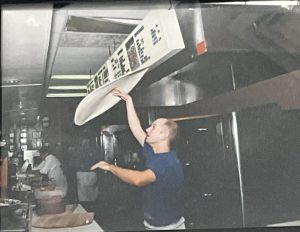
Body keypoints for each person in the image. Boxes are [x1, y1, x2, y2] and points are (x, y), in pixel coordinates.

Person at [91, 88, 185, 230]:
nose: (147, 129)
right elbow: (135, 127)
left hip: (169, 228)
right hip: (152, 225)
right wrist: (128, 101)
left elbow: (138, 179)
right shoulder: (153, 151)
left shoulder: (167, 162)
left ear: (164, 134)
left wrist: (110, 167)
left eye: (153, 127)